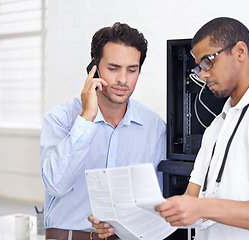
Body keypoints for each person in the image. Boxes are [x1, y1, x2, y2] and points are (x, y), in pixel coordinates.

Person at [90, 17, 249, 239]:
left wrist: (204, 208)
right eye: (199, 66)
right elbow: (190, 202)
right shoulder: (218, 125)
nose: (202, 74)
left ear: (240, 51)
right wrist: (123, 223)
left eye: (208, 61)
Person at [40, 22, 166, 240]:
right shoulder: (60, 119)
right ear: (94, 68)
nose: (123, 80)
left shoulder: (154, 126)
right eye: (113, 68)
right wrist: (87, 117)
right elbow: (56, 186)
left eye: (132, 70)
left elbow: (156, 203)